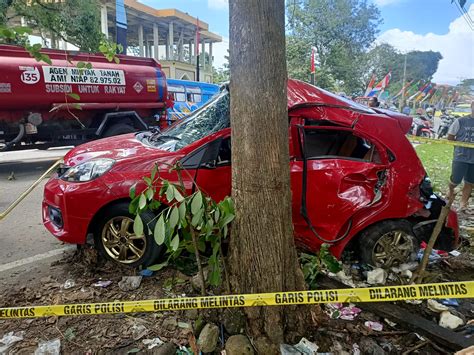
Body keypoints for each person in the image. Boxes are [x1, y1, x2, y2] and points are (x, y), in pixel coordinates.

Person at [447, 101, 474, 211]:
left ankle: (463, 203)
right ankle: (451, 191)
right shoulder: (460, 121)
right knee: (455, 179)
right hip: (461, 156)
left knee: (470, 182)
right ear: (472, 106)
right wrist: (459, 146)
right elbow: (450, 137)